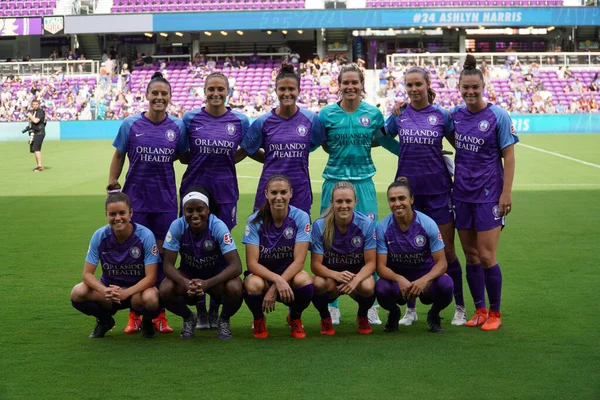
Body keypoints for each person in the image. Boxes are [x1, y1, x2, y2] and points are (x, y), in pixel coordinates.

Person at [385, 67, 466, 326]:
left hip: (439, 192)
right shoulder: (399, 115)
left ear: (428, 84)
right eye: (409, 85)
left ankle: (460, 307)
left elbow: (459, 148)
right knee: (408, 251)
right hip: (409, 195)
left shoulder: (442, 115)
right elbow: (380, 136)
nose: (413, 89)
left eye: (418, 84)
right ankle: (410, 310)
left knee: (448, 251)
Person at [108, 72, 187, 334]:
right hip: (136, 202)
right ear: (147, 96)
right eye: (155, 93)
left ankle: (159, 314)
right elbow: (119, 155)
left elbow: (180, 155)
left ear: (170, 97)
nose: (159, 98)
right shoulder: (130, 124)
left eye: (164, 94)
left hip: (164, 203)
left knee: (162, 258)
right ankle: (135, 313)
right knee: (138, 257)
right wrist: (112, 182)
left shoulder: (177, 127)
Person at [318, 63, 396, 325]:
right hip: (334, 182)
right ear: (338, 85)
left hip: (363, 184)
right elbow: (322, 143)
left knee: (368, 239)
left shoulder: (373, 114)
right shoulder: (326, 114)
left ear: (362, 85)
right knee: (329, 241)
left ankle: (370, 303)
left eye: (355, 82)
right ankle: (332, 305)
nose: (350, 86)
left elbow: (383, 140)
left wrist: (422, 153)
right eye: (345, 82)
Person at [450, 54, 518, 331]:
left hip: (489, 195)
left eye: (474, 88)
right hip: (462, 194)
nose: (470, 92)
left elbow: (509, 157)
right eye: (465, 88)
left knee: (487, 255)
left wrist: (506, 193)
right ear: (459, 87)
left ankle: (495, 313)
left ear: (483, 86)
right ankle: (478, 309)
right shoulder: (454, 116)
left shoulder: (498, 115)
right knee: (470, 255)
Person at [180, 71, 249, 329]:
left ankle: (214, 308)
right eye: (211, 89)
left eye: (221, 89)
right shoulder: (190, 119)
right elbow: (183, 154)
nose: (216, 93)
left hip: (225, 192)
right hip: (193, 189)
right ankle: (199, 309)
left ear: (228, 91)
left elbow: (249, 147)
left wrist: (229, 159)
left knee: (221, 249)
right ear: (204, 91)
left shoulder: (240, 120)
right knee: (192, 248)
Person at [70, 183, 161, 339]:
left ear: (131, 213)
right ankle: (105, 321)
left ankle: (147, 322)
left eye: (122, 213)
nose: (117, 218)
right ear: (106, 215)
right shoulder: (99, 236)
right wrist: (104, 290)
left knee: (152, 297)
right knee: (78, 292)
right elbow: (87, 275)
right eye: (112, 214)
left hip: (136, 293)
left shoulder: (145, 235)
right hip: (109, 293)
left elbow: (151, 277)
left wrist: (126, 293)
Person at [240, 63, 325, 216]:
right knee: (263, 234)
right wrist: (269, 158)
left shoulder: (311, 119)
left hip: (300, 188)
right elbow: (248, 149)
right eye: (282, 89)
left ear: (299, 91)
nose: (287, 93)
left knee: (300, 236)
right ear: (276, 91)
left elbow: (319, 143)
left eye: (291, 89)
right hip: (270, 188)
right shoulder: (263, 122)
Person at [160, 187, 243, 339]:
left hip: (215, 277)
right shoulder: (177, 226)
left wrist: (207, 283)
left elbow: (236, 266)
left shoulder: (217, 226)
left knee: (235, 287)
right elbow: (167, 265)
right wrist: (185, 282)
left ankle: (223, 319)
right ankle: (188, 318)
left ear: (208, 210)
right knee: (165, 288)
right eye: (189, 210)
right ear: (183, 211)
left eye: (200, 209)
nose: (195, 215)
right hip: (189, 277)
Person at [375, 178, 454, 333]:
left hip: (426, 281)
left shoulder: (428, 224)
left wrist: (424, 280)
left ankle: (434, 314)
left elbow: (442, 263)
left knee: (446, 285)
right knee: (381, 289)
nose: (397, 203)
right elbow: (380, 267)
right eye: (392, 199)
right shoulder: (382, 227)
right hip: (398, 283)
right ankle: (394, 313)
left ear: (411, 199)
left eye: (401, 198)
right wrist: (399, 278)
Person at [242, 174, 314, 339]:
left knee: (305, 280)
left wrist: (278, 284)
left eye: (283, 192)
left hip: (290, 276)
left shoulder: (301, 217)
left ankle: (294, 318)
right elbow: (252, 264)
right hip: (263, 277)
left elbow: (299, 261)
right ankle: (259, 319)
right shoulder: (254, 220)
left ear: (291, 193)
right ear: (266, 194)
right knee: (252, 284)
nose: (279, 197)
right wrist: (276, 281)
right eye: (274, 193)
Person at [311, 181, 377, 336]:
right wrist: (336, 275)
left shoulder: (366, 224)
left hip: (356, 277)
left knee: (368, 285)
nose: (344, 206)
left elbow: (371, 263)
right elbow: (315, 265)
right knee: (318, 283)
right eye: (339, 201)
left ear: (355, 202)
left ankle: (362, 316)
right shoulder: (320, 225)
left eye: (348, 201)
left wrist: (355, 279)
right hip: (331, 277)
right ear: (332, 202)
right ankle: (325, 318)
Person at [27, 99, 45, 172]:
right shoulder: (33, 111)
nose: (34, 106)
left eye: (36, 104)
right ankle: (38, 165)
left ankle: (40, 166)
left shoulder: (40, 111)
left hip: (39, 132)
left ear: (39, 105)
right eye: (33, 104)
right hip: (35, 132)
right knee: (34, 149)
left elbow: (36, 120)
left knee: (37, 149)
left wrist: (30, 116)